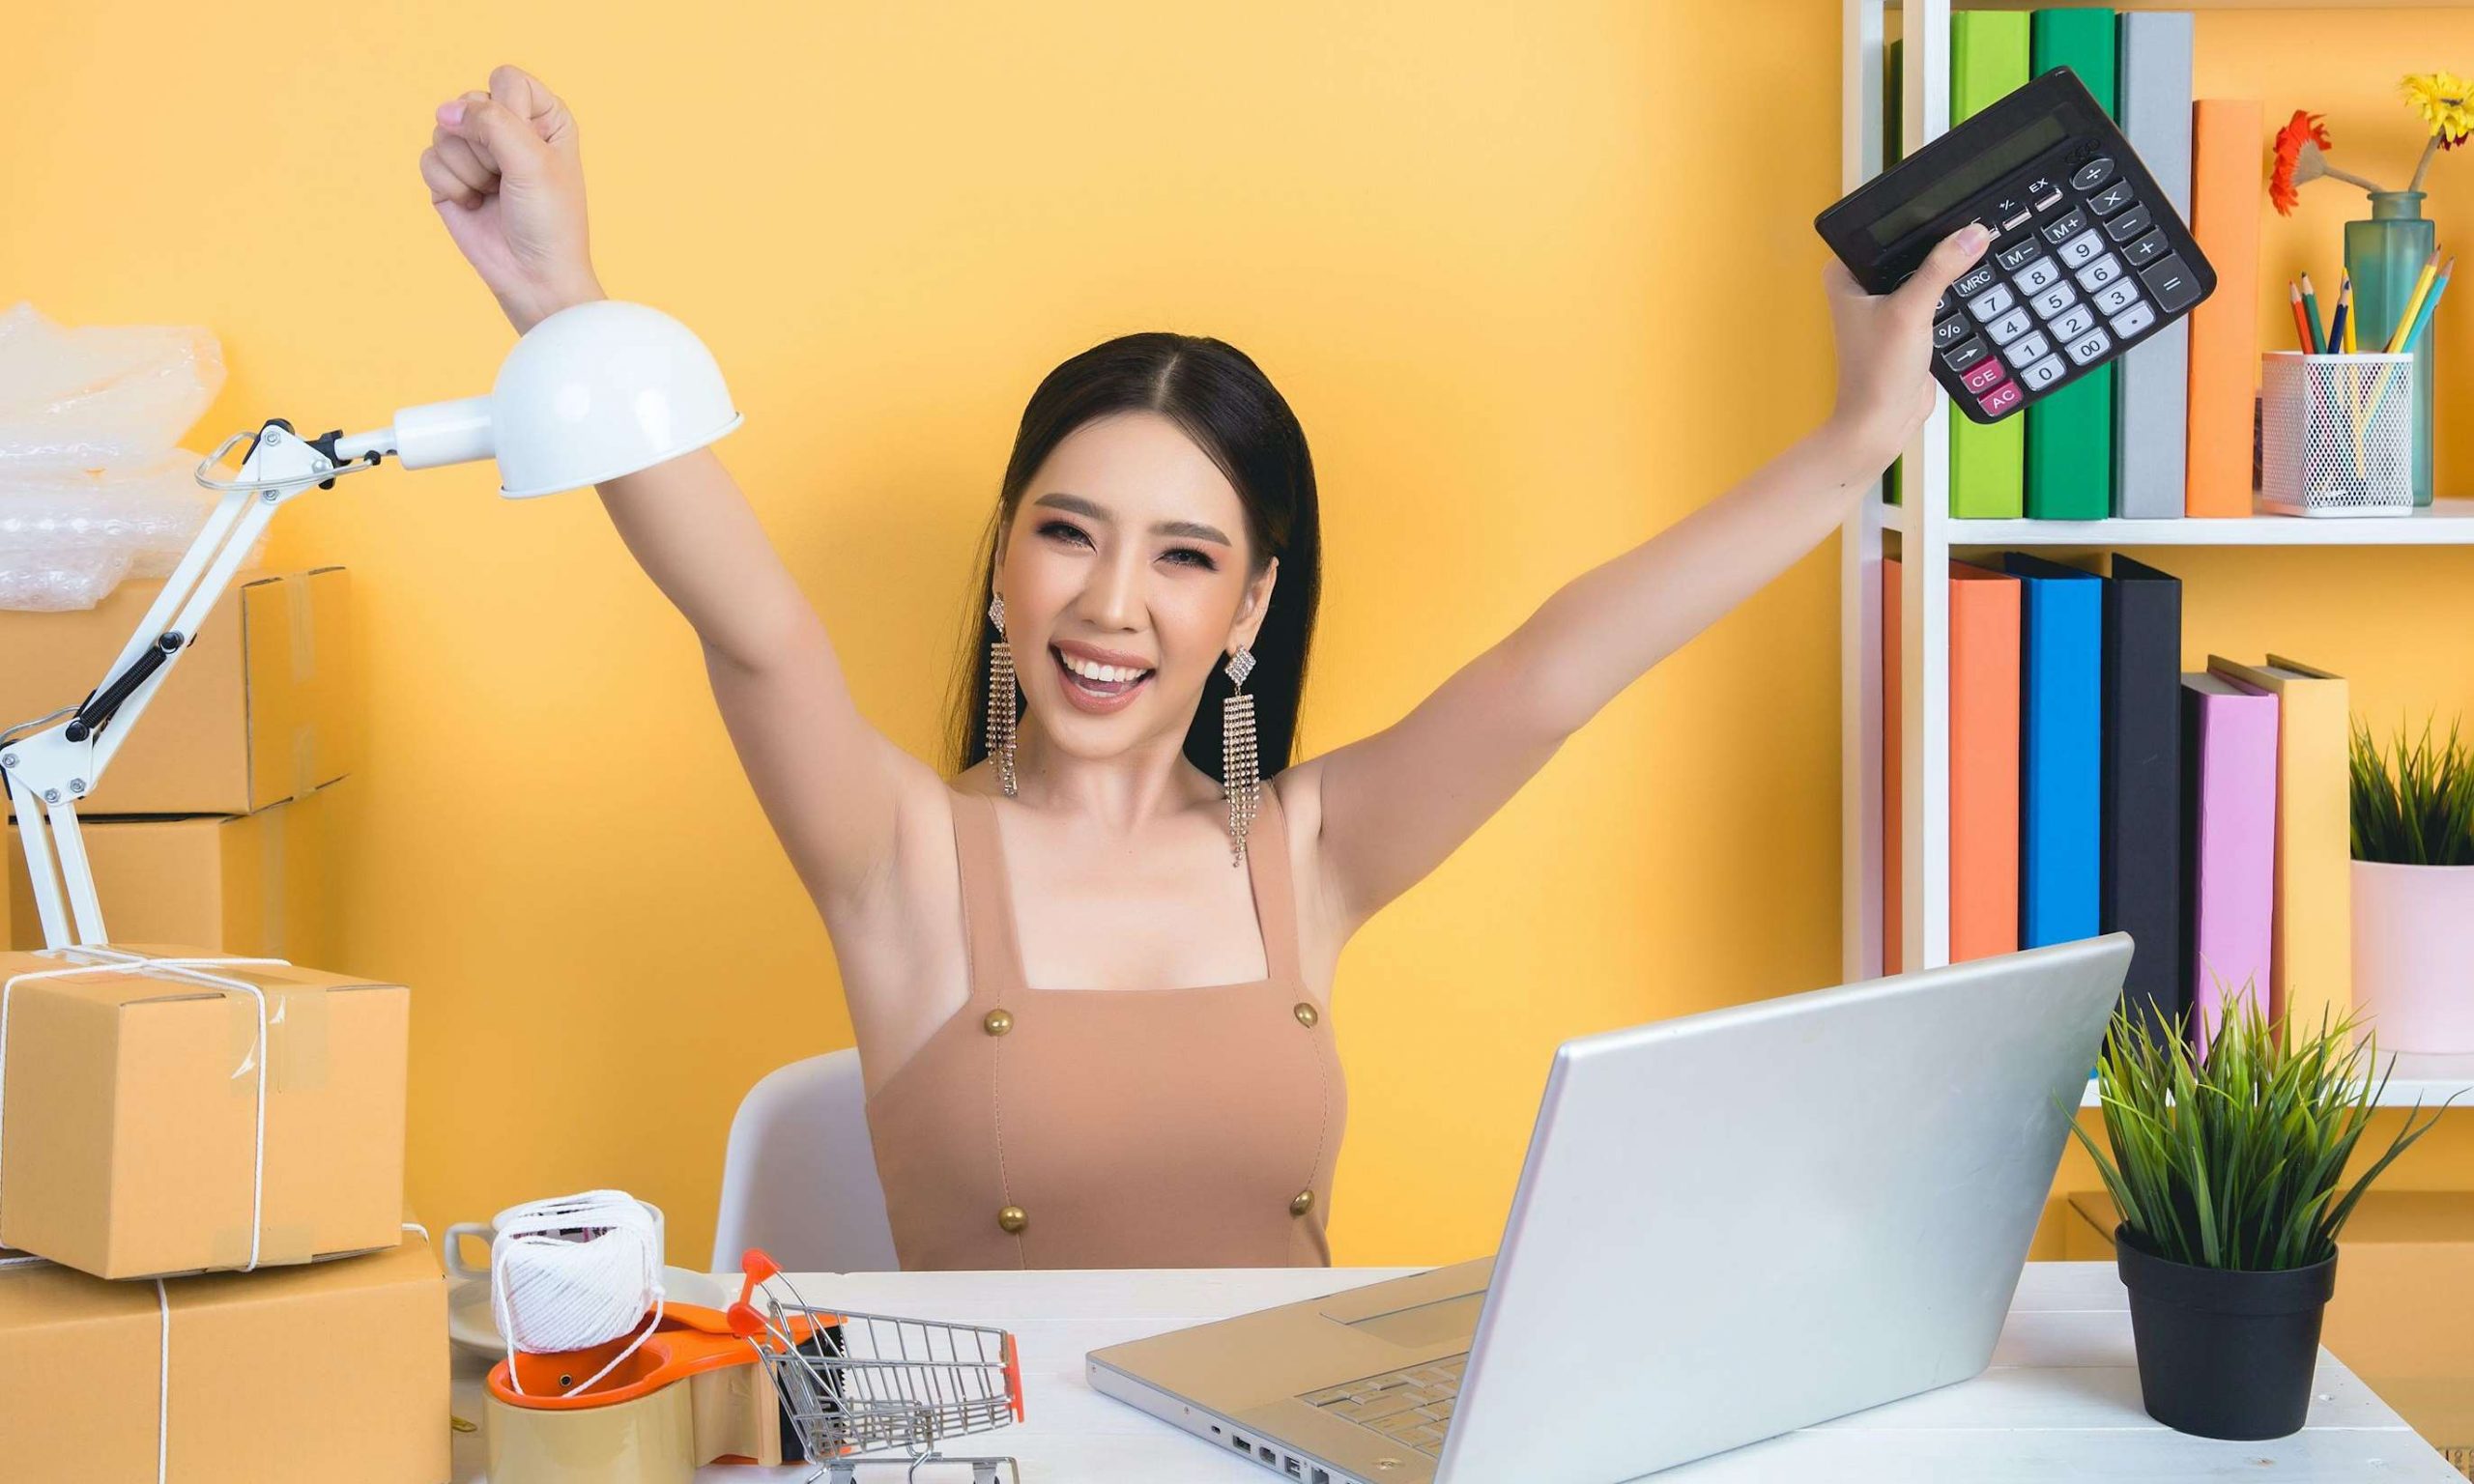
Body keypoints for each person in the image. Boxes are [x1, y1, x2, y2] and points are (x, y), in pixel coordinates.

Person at [419, 65, 1989, 1271]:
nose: (1111, 605)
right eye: (1066, 534)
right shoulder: (894, 854)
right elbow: (754, 625)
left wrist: (1856, 442)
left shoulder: (1303, 852)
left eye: (1183, 557)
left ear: (1247, 612)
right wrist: (564, 304)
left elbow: (1557, 666)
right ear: (1004, 564)